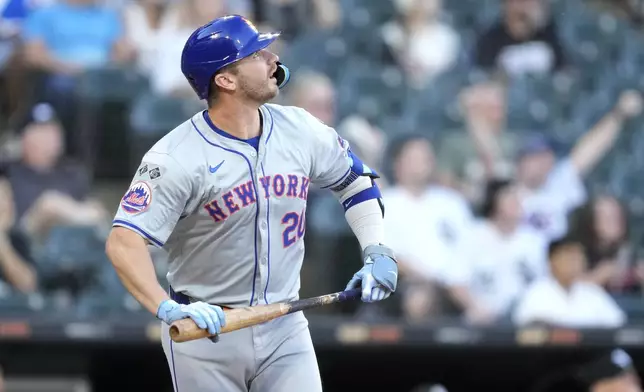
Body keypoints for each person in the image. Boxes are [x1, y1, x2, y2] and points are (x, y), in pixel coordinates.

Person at [104, 15, 398, 392]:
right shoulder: (174, 157)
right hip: (208, 329)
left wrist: (376, 249)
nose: (273, 58)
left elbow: (356, 183)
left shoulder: (300, 128)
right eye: (257, 54)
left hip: (285, 324)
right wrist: (167, 308)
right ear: (225, 80)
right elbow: (123, 242)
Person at [513, 237, 626, 328]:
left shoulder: (592, 292)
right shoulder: (536, 292)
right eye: (569, 257)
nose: (575, 262)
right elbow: (526, 328)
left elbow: (617, 325)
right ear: (552, 261)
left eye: (578, 257)